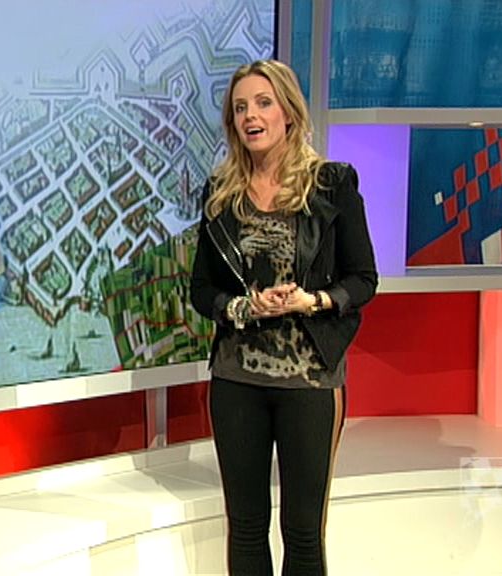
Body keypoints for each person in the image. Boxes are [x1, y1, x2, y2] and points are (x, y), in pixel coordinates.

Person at [189, 59, 378, 575]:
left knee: (302, 533)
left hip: (310, 383)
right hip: (236, 380)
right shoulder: (220, 194)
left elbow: (363, 279)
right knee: (246, 527)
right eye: (240, 108)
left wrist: (310, 301)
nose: (250, 115)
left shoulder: (332, 185)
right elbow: (201, 290)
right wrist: (243, 307)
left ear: (288, 113)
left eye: (263, 103)